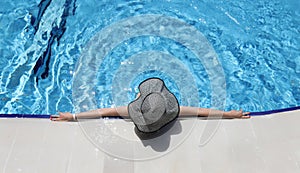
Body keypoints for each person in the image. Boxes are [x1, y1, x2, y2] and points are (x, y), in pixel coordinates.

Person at [51, 78, 250, 122]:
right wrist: (230, 115)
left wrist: (73, 116)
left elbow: (103, 112)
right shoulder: (172, 111)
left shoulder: (131, 112)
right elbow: (202, 111)